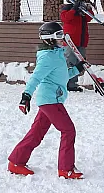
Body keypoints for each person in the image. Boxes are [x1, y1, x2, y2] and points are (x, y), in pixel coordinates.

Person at [8, 22, 81, 179]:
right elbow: (35, 77)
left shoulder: (57, 54)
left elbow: (61, 76)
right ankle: (66, 169)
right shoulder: (47, 57)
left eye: (62, 35)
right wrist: (26, 96)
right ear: (49, 39)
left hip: (52, 99)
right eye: (59, 36)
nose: (63, 39)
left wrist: (77, 69)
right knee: (68, 130)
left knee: (36, 133)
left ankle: (16, 162)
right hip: (50, 101)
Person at [59, 0, 94, 92]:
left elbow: (90, 18)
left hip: (81, 40)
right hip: (71, 40)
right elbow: (65, 18)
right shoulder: (68, 7)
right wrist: (74, 9)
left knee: (79, 63)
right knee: (69, 62)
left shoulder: (82, 9)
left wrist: (87, 8)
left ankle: (73, 83)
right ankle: (65, 83)